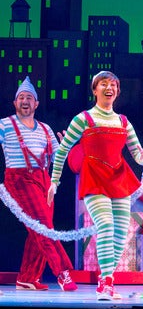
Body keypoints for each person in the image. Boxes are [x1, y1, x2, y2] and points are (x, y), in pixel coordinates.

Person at [47, 71, 143, 301]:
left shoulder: (123, 121)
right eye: (103, 84)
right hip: (94, 177)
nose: (109, 88)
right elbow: (62, 150)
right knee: (105, 225)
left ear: (117, 91)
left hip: (119, 178)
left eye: (113, 84)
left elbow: (136, 154)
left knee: (120, 233)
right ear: (95, 90)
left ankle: (107, 281)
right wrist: (54, 181)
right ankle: (106, 283)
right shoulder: (83, 119)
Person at [1, 77, 77, 292]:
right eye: (21, 98)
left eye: (29, 98)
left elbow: (58, 156)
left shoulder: (45, 129)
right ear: (15, 103)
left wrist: (66, 147)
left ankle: (27, 278)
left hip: (44, 181)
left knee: (39, 229)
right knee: (43, 226)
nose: (25, 101)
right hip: (19, 180)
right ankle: (62, 272)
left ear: (36, 104)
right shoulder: (5, 124)